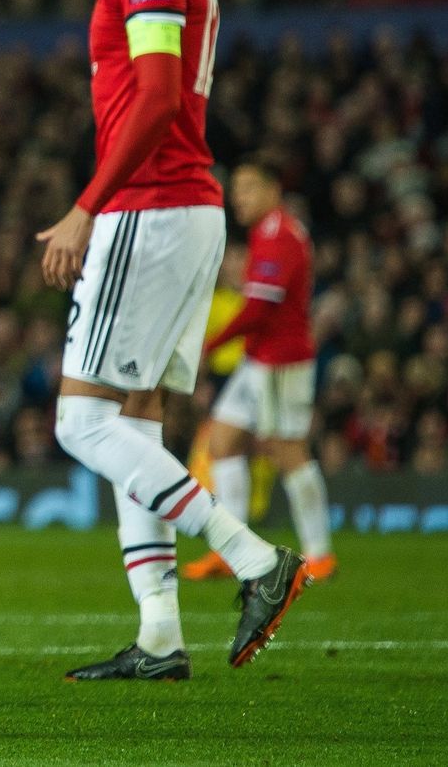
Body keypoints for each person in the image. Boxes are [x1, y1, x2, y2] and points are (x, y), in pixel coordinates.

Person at [37, 0, 310, 682]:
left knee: (80, 421)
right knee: (134, 421)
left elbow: (155, 97)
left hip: (150, 210)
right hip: (187, 211)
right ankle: (160, 634)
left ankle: (254, 558)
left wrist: (88, 204)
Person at [185, 157, 336, 582]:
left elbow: (259, 308)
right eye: (237, 190)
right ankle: (234, 551)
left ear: (274, 190)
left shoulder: (280, 234)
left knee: (286, 449)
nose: (239, 198)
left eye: (249, 188)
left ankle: (320, 554)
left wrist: (211, 346)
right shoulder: (267, 233)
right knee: (223, 440)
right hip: (259, 358)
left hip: (280, 362)